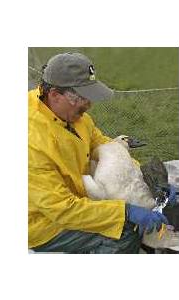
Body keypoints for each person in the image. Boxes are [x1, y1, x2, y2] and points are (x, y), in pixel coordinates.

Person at [28, 52, 169, 253]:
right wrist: (125, 212)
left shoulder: (73, 115)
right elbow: (61, 209)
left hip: (77, 197)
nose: (89, 104)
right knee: (124, 231)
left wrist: (146, 177)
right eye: (83, 97)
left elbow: (102, 145)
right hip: (44, 224)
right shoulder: (32, 143)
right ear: (55, 95)